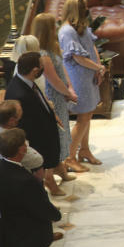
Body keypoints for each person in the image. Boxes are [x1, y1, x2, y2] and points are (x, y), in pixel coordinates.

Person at [0, 127, 61, 247]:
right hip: (30, 238)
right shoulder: (25, 181)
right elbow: (42, 209)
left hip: (11, 233)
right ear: (21, 150)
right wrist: (55, 214)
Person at [5, 52, 65, 197]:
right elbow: (26, 125)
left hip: (44, 133)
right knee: (38, 178)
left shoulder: (26, 82)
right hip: (37, 141)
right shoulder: (19, 93)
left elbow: (40, 101)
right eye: (42, 66)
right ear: (35, 71)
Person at [32, 12, 84, 174]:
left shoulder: (52, 47)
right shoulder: (43, 54)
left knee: (63, 131)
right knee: (58, 133)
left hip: (61, 93)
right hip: (53, 95)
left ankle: (60, 168)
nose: (56, 27)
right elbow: (53, 80)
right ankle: (52, 173)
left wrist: (70, 88)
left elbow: (62, 69)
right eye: (53, 25)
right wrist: (68, 92)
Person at [59, 0, 106, 167]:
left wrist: (99, 66)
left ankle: (84, 150)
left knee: (89, 113)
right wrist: (98, 68)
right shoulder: (67, 31)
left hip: (90, 73)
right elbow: (78, 58)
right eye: (84, 7)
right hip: (79, 77)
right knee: (83, 116)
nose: (87, 10)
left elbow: (91, 46)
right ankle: (70, 157)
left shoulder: (81, 26)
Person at [0, 100, 45, 219]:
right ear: (12, 120)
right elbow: (37, 160)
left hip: (1, 185)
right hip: (14, 190)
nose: (22, 110)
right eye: (20, 110)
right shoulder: (10, 141)